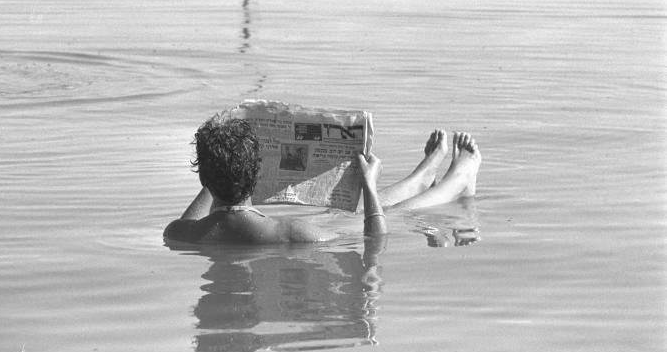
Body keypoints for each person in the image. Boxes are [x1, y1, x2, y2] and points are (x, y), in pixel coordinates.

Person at [164, 117, 480, 244]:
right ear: (259, 174)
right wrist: (368, 186)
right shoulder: (295, 233)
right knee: (379, 217)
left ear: (204, 176)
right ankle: (458, 182)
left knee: (334, 216)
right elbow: (376, 241)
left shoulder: (179, 233)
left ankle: (421, 178)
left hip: (274, 229)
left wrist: (221, 157)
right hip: (300, 237)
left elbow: (195, 211)